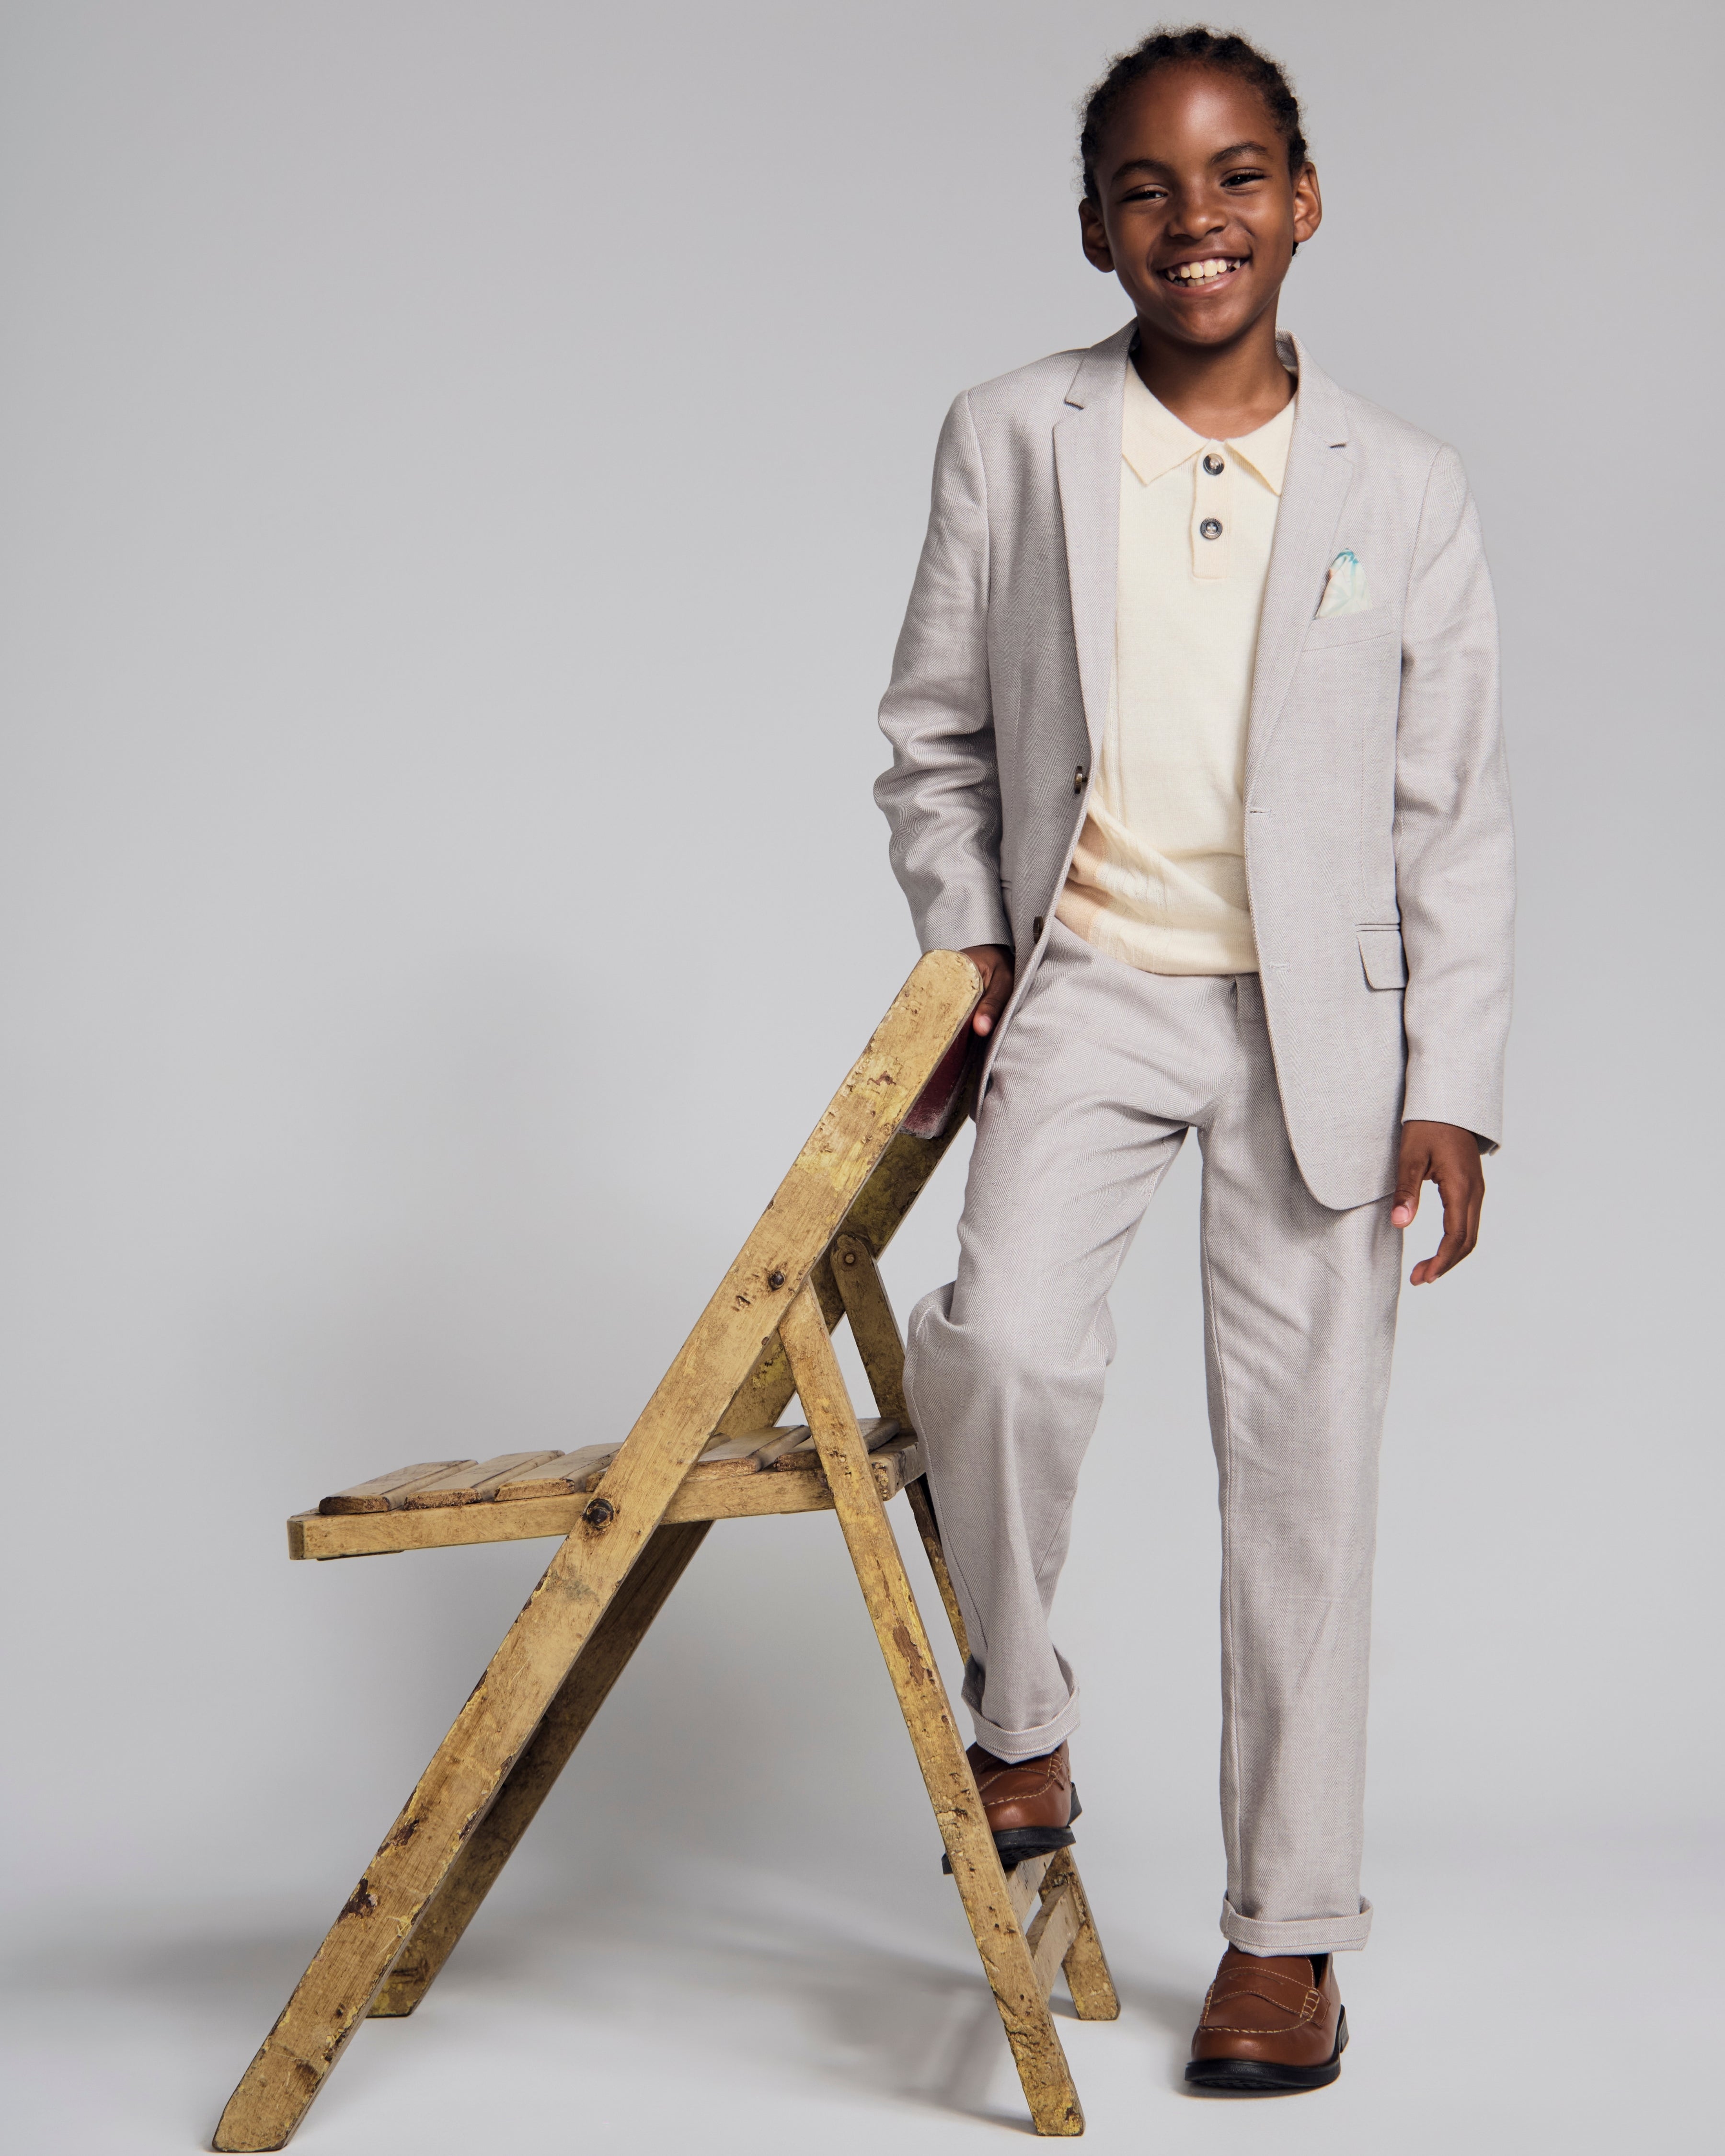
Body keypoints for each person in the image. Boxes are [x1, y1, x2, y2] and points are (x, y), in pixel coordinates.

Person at [874, 25, 1513, 2093]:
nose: (1197, 218)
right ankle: (1023, 1703)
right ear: (1094, 227)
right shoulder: (1013, 434)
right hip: (1088, 990)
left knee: (1307, 1490)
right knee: (997, 1351)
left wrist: (1455, 1078)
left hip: (1318, 1030)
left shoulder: (1403, 487)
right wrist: (969, 948)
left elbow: (1453, 809)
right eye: (1148, 188)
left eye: (1237, 176)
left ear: (1303, 203)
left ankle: (1287, 1944)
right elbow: (935, 733)